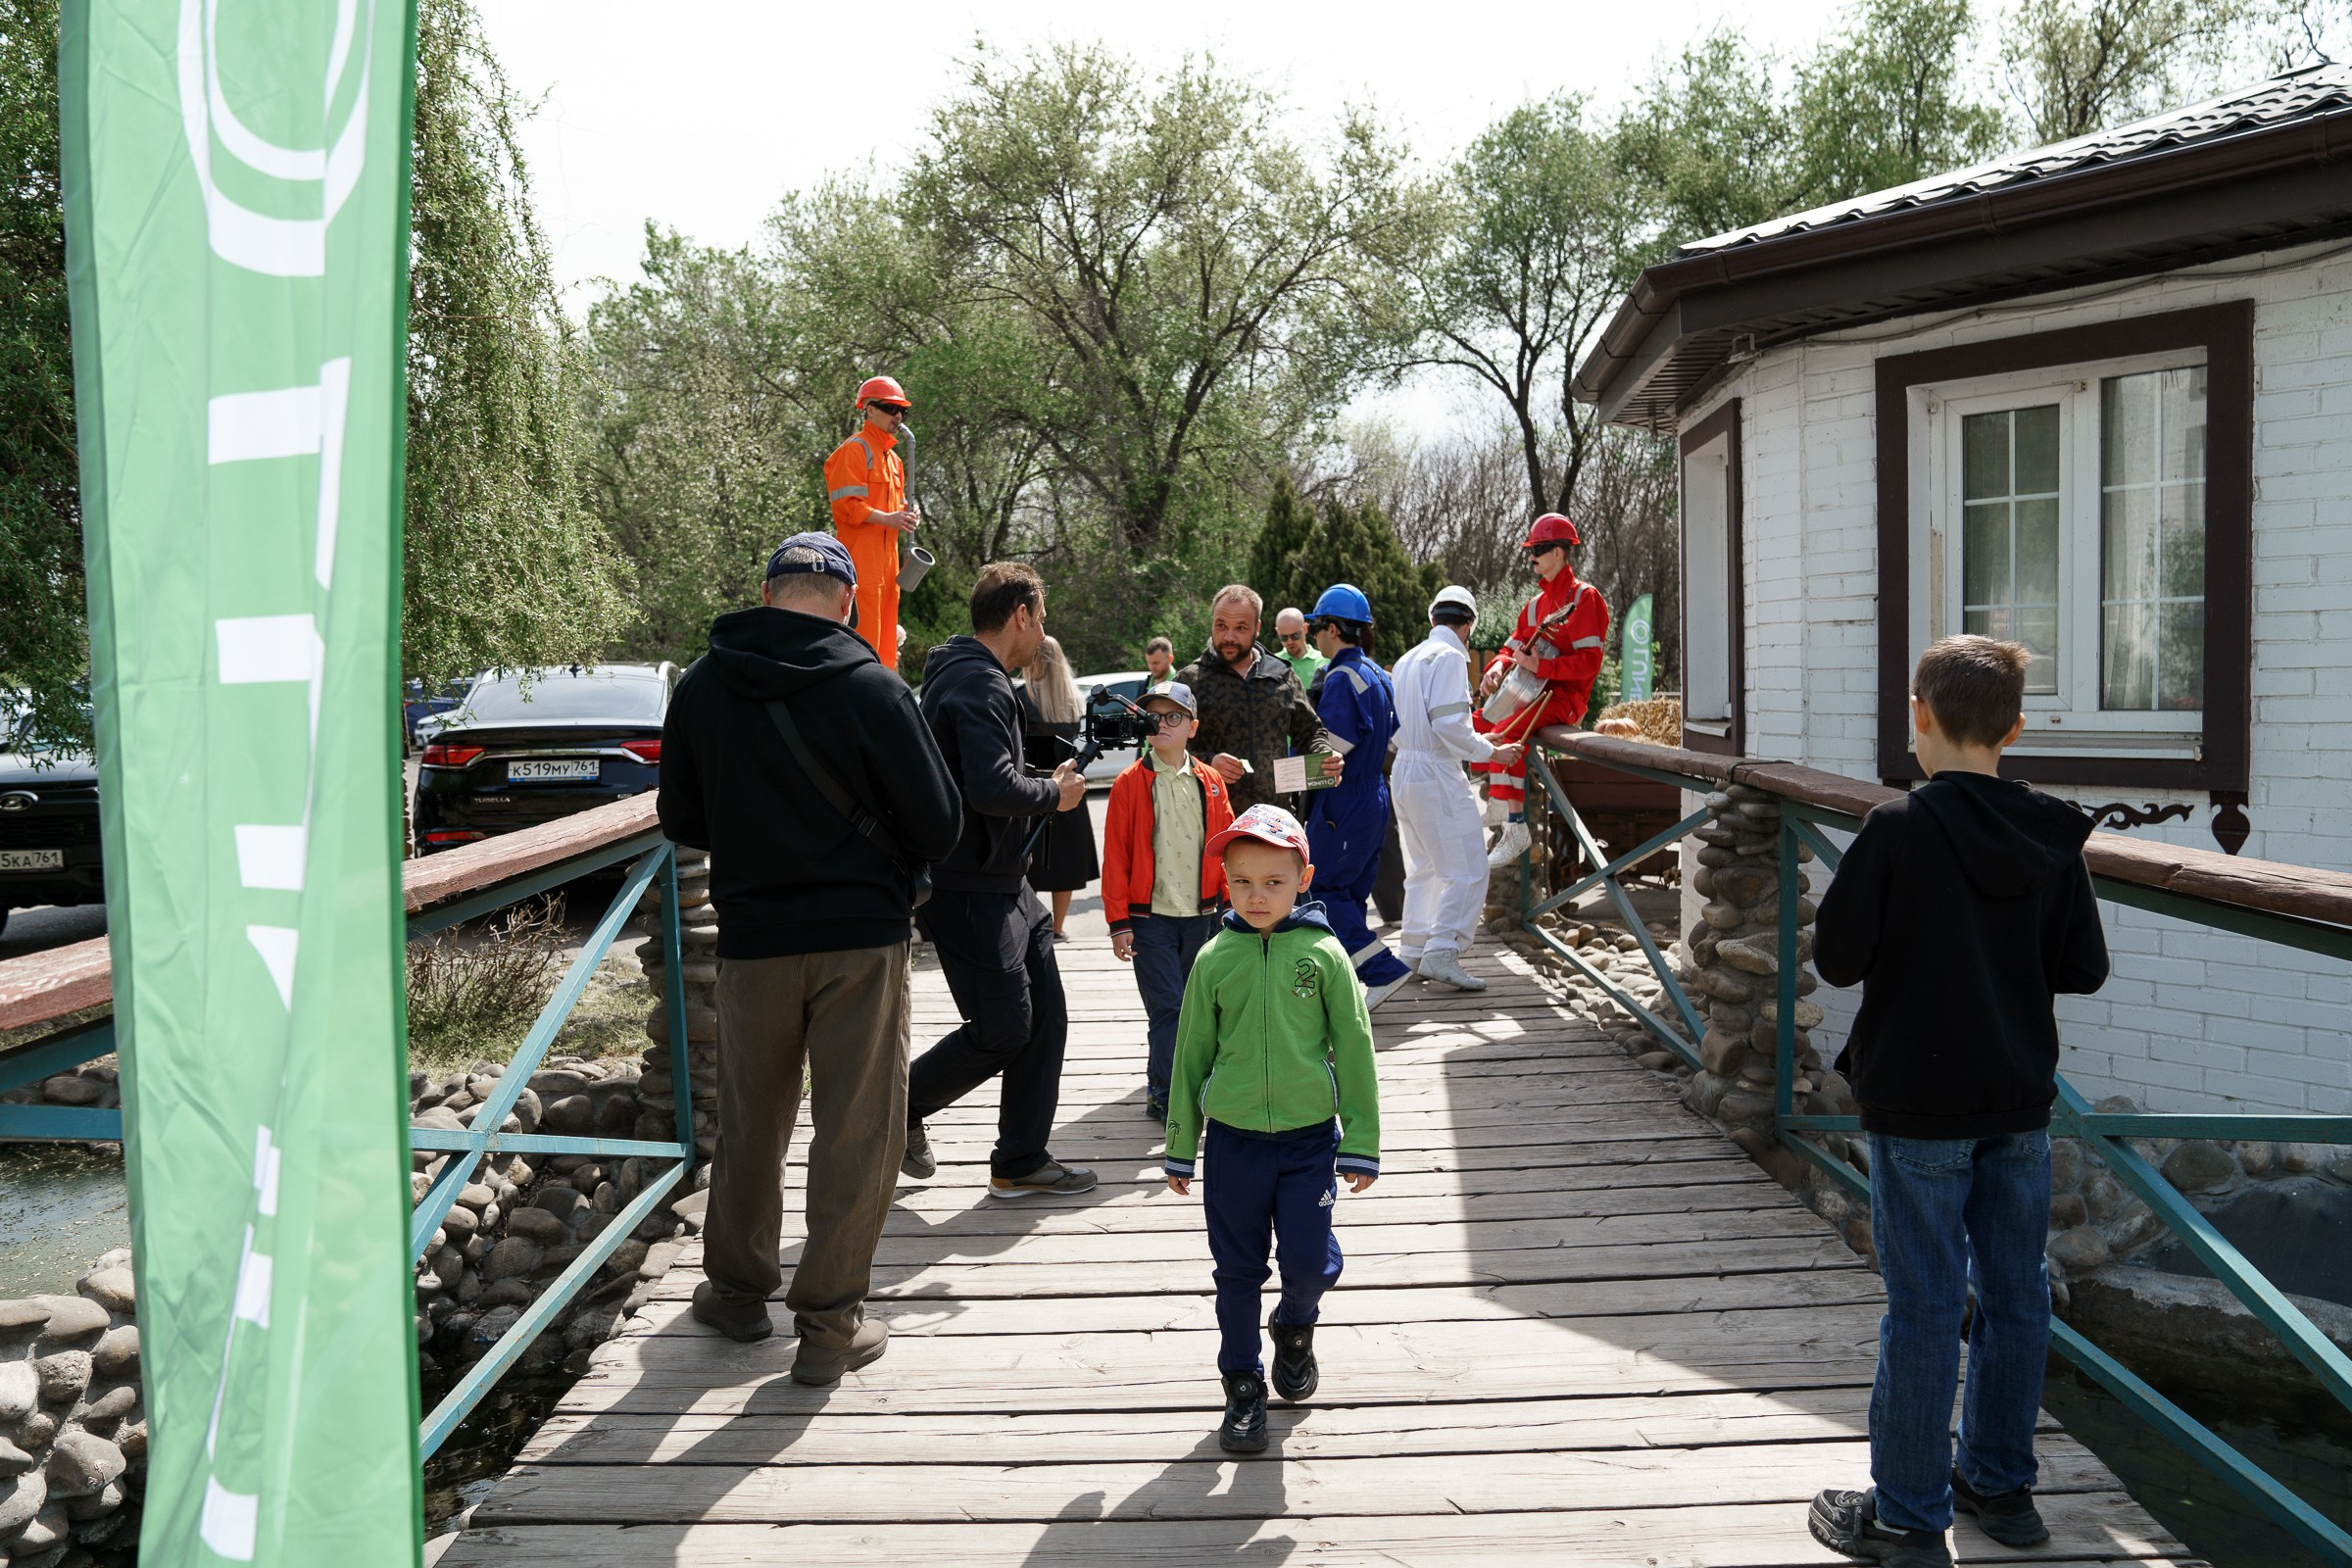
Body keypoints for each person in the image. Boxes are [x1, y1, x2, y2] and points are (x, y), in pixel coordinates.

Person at [1807, 635, 2110, 1568]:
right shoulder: (2052, 835)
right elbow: (2084, 969)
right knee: (2018, 1296)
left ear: (1918, 717)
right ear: (2014, 729)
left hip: (1921, 1106)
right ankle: (2001, 1486)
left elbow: (1838, 957)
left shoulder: (1899, 829)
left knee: (1928, 1304)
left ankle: (1905, 1513)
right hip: (2016, 1101)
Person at [656, 532, 963, 1385]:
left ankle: (735, 1295)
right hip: (860, 937)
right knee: (857, 1128)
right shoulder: (873, 686)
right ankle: (829, 1330)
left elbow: (681, 819)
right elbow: (941, 824)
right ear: (845, 600)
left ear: (765, 592)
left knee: (754, 1122)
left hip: (753, 938)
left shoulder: (705, 685)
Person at [1162, 805, 1381, 1455]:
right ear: (1224, 882)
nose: (1258, 897)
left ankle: (1294, 1323)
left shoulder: (1325, 955)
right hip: (1233, 1144)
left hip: (1310, 1140)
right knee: (1236, 1269)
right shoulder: (1213, 959)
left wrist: (1361, 1137)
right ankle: (1243, 1387)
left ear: (1304, 877)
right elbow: (1191, 1054)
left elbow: (1356, 1046)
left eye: (1274, 882)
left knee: (1307, 1265)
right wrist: (1181, 1144)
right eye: (1242, 882)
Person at [905, 564, 1099, 1199]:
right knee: (1002, 1028)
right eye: (1040, 616)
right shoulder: (980, 685)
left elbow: (978, 773)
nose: (1044, 629)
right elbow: (990, 788)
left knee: (1046, 1017)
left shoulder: (971, 678)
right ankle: (897, 1106)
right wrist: (1057, 794)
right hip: (968, 890)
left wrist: (1044, 774)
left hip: (1005, 883)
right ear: (1019, 614)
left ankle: (1019, 1159)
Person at [1102, 681, 1233, 1120]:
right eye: (1154, 717)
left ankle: (1195, 1085)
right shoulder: (1130, 783)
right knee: (1167, 1007)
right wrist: (1119, 921)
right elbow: (1116, 855)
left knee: (1198, 1008)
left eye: (1173, 717)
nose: (1161, 724)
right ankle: (1163, 1091)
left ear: (1192, 727)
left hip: (1202, 916)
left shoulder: (1211, 782)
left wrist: (1230, 905)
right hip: (1149, 918)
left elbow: (1226, 846)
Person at [1390, 586, 1525, 994]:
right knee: (1468, 868)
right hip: (1435, 772)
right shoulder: (1448, 657)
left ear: (1433, 620)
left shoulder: (1407, 659)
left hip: (1405, 768)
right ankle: (1443, 949)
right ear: (1469, 625)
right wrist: (1492, 752)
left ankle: (1412, 950)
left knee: (1424, 868)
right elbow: (1448, 725)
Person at [1299, 584, 1411, 1005]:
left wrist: (1277, 772)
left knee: (1323, 891)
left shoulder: (1341, 679)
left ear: (1332, 628)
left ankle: (1382, 970)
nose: (1312, 636)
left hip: (1343, 804)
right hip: (1373, 797)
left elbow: (1327, 757)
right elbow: (1395, 740)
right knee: (1350, 896)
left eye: (1314, 628)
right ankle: (1349, 983)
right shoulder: (1378, 675)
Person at [1476, 513, 1608, 866]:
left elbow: (1590, 663)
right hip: (1531, 693)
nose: (1531, 555)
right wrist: (1497, 667)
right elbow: (1511, 647)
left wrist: (1542, 666)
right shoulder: (1535, 605)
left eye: (1539, 548)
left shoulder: (1584, 598)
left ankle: (1516, 826)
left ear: (1560, 554)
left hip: (1565, 699)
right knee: (1477, 725)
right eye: (1530, 548)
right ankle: (1501, 805)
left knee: (1505, 732)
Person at [1178, 584, 1340, 817]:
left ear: (1258, 628)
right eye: (1221, 626)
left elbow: (1310, 733)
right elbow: (1164, 750)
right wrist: (1207, 763)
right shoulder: (1189, 681)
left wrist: (1326, 756)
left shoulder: (1281, 676)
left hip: (1274, 823)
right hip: (1212, 824)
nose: (1229, 637)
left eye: (1241, 628)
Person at [824, 375, 923, 669]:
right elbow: (848, 508)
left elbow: (892, 509)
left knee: (884, 648)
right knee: (860, 641)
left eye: (902, 410)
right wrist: (890, 518)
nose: (898, 416)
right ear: (869, 409)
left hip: (887, 565)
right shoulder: (855, 449)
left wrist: (908, 512)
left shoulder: (894, 460)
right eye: (891, 408)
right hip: (859, 562)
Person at [1017, 634, 1101, 941]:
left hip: (1036, 785)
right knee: (1066, 863)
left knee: (1030, 860)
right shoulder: (1073, 699)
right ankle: (1059, 927)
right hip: (1069, 782)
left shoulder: (1022, 697)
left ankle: (1029, 924)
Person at [1271, 607, 1324, 687]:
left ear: (1305, 628)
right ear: (1277, 632)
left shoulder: (1325, 661)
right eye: (1284, 637)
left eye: (1295, 635)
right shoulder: (1272, 664)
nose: (1290, 642)